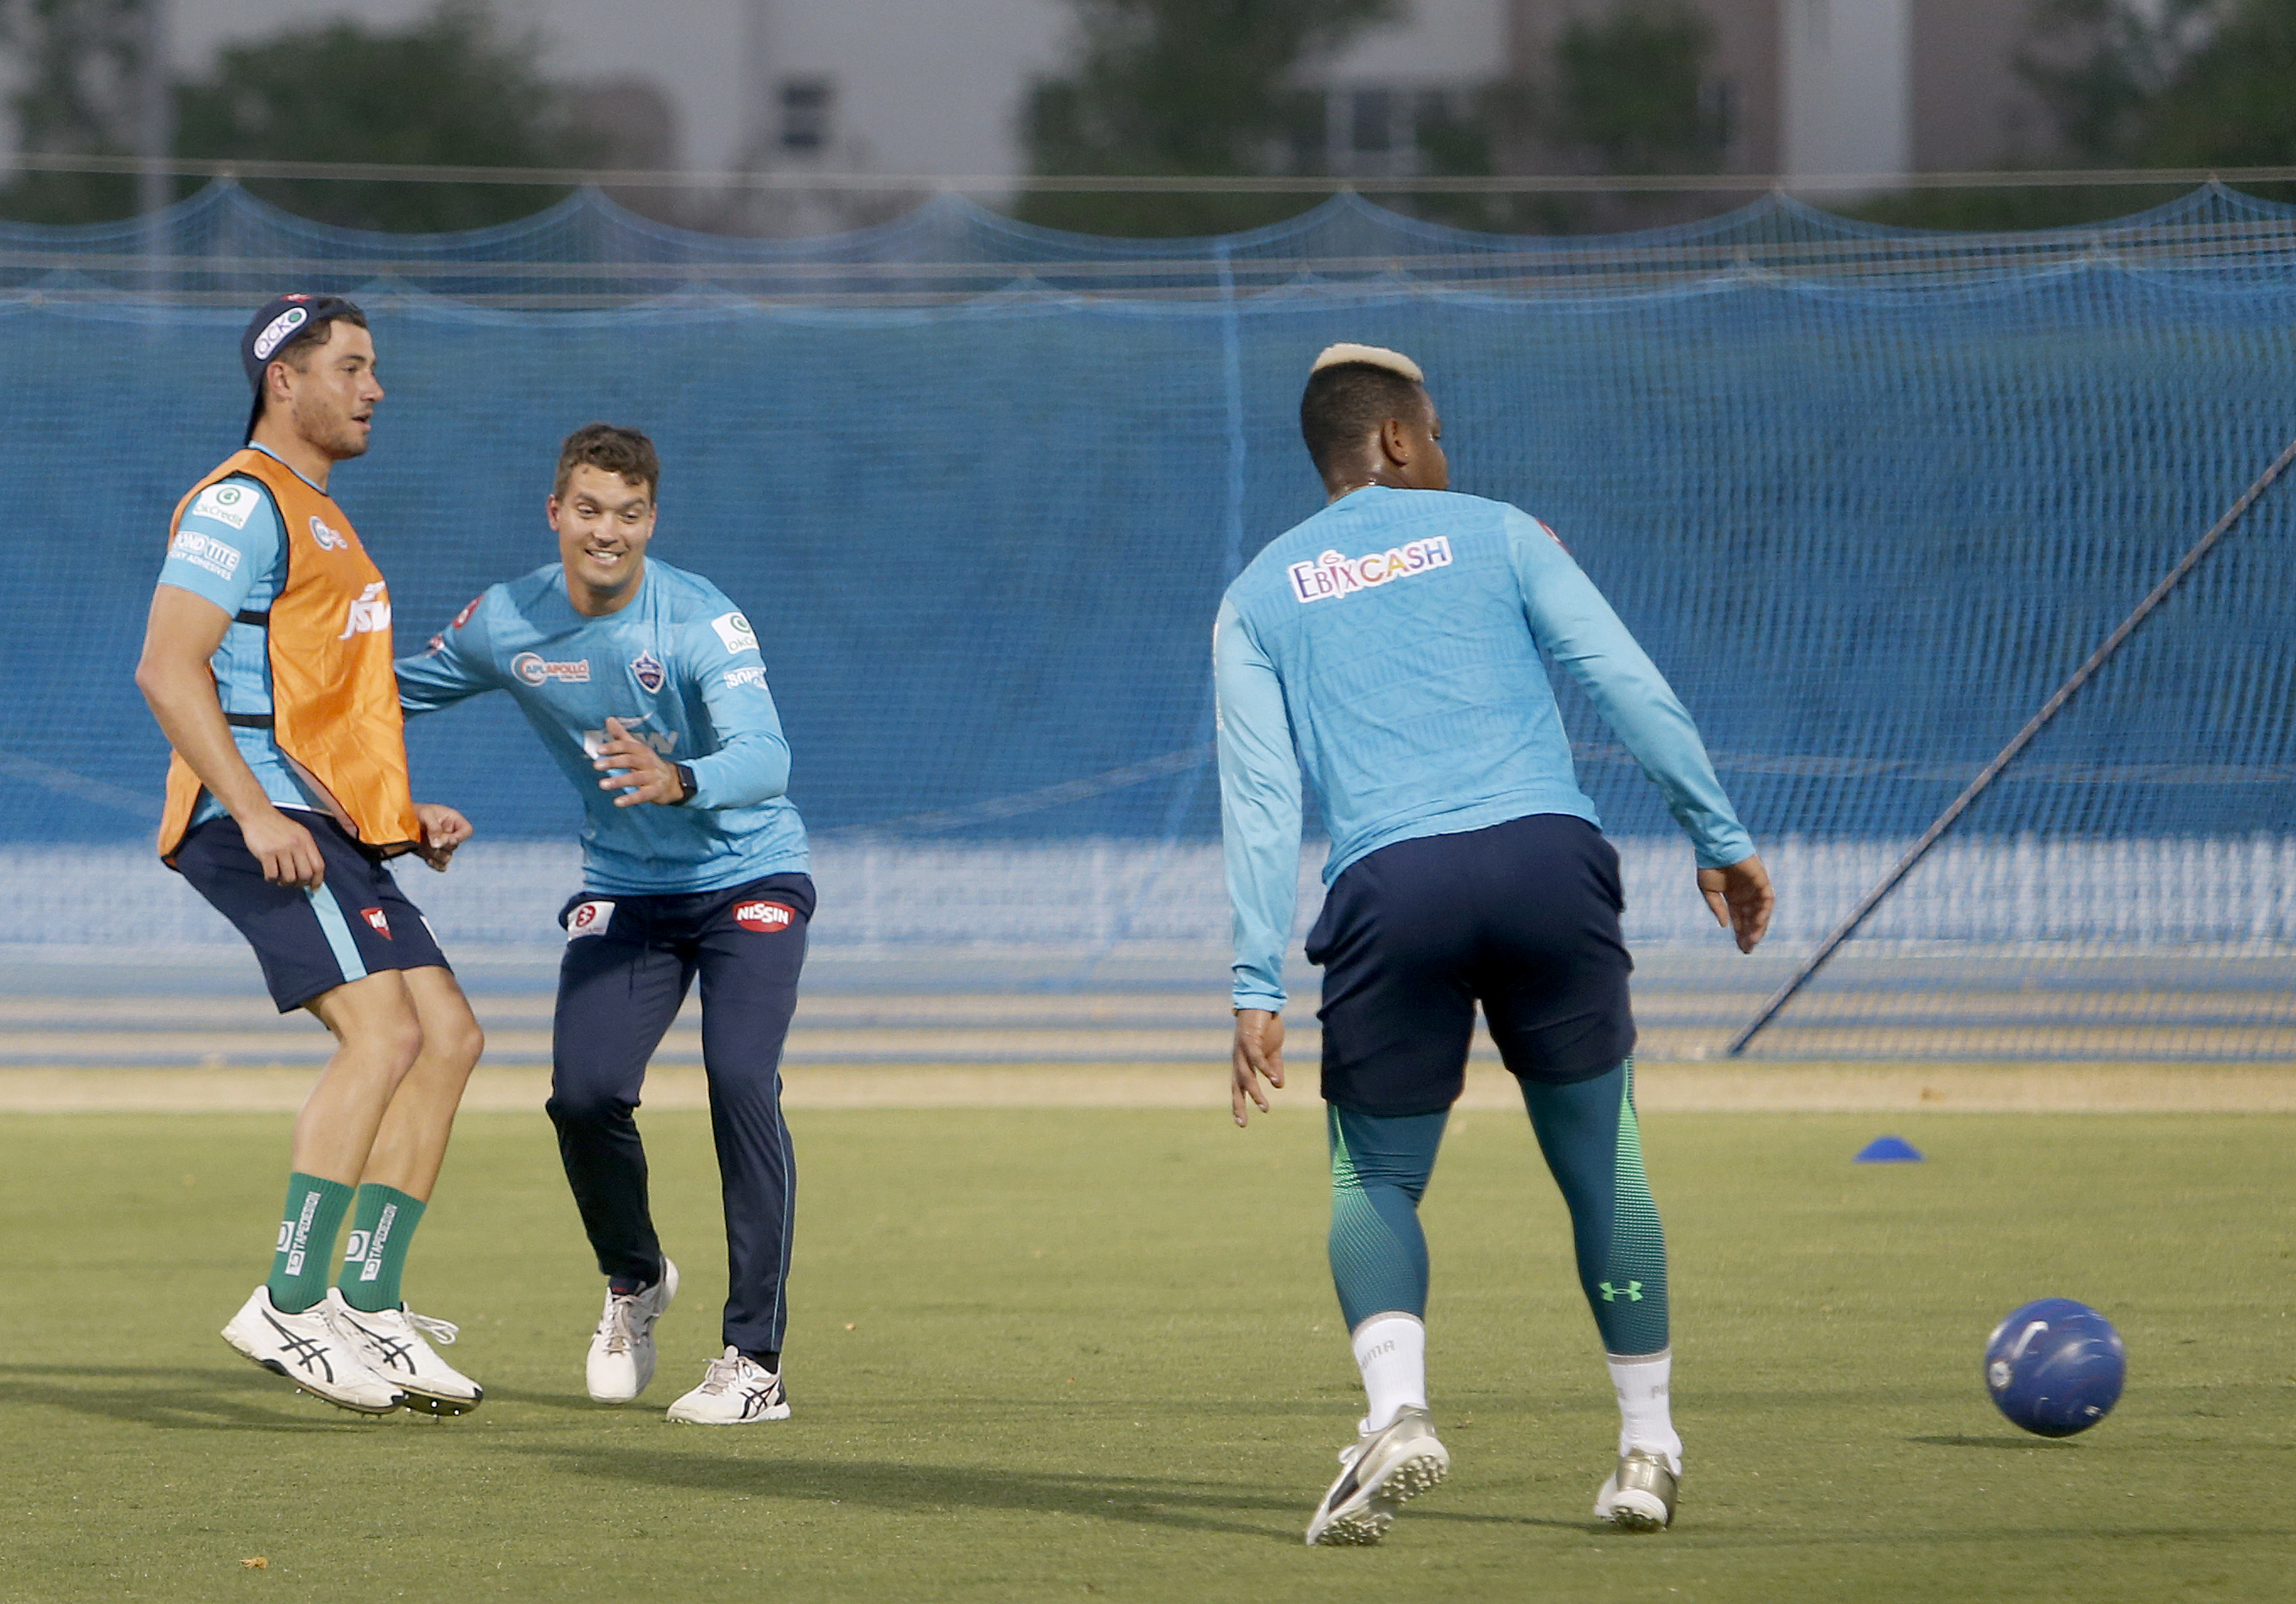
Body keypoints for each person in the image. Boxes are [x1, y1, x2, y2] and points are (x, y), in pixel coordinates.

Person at [1216, 344, 1774, 1544]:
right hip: (1543, 865)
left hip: (1391, 889)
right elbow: (1625, 683)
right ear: (1400, 441)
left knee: (1376, 1180)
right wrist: (1717, 835)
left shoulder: (1259, 593)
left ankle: (1400, 1414)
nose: (1447, 450)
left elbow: (1262, 803)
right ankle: (1645, 1450)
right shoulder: (1498, 531)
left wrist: (1255, 983)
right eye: (1438, 430)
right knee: (1601, 1172)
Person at [394, 424, 812, 1424]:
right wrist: (278, 702)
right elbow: (384, 695)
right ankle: (633, 1281)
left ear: (650, 520)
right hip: (625, 887)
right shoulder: (507, 620)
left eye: (628, 514)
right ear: (555, 513)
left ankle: (753, 1362)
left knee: (739, 1080)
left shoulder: (700, 622)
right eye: (588, 509)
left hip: (748, 876)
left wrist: (679, 779)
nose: (607, 532)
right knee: (581, 1095)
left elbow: (767, 757)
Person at [135, 294, 488, 1417]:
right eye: (351, 365)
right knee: (381, 1035)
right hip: (260, 818)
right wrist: (251, 812)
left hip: (320, 815)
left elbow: (312, 707)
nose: (375, 386)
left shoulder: (322, 516)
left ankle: (369, 1308)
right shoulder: (243, 502)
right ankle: (291, 1302)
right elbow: (167, 668)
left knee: (448, 1038)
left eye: (374, 366)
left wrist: (397, 816)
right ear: (283, 379)